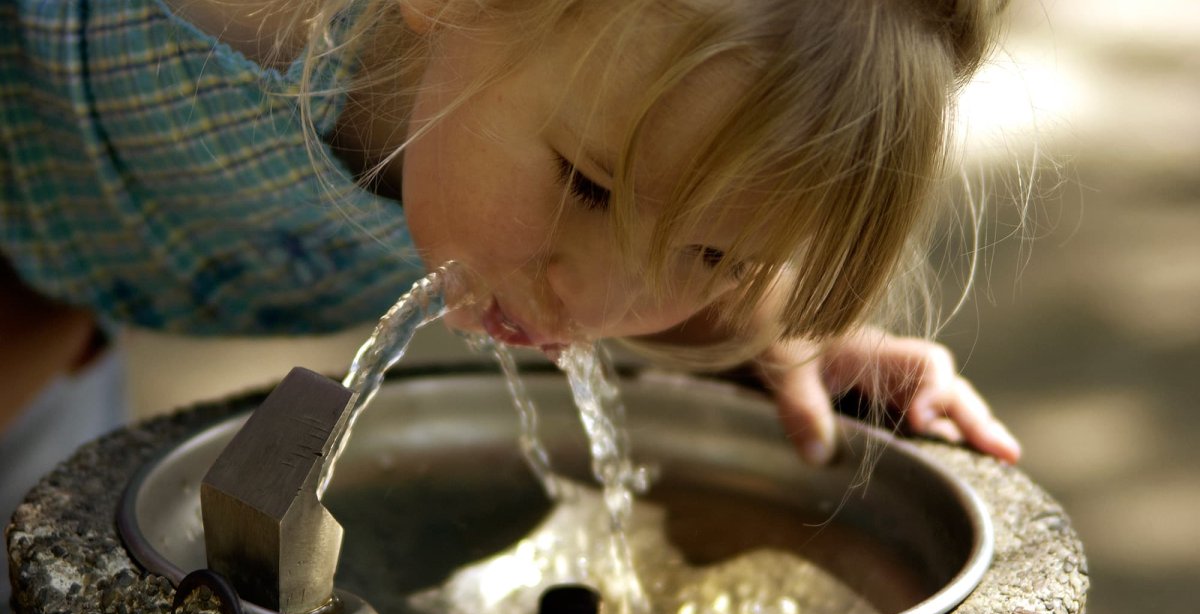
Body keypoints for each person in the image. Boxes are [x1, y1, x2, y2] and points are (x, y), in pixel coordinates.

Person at [1, 0, 1023, 517]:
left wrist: (788, 342)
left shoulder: (549, 95)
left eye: (715, 253)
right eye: (589, 188)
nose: (597, 301)